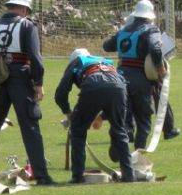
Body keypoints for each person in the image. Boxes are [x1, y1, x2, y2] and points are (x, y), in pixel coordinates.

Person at [0, 0, 54, 186]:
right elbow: (36, 58)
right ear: (25, 9)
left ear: (10, 6)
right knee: (30, 127)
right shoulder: (27, 26)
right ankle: (41, 175)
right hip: (21, 79)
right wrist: (38, 83)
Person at [54, 48, 135, 183]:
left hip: (93, 84)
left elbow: (61, 93)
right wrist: (102, 116)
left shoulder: (77, 62)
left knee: (78, 131)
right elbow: (116, 88)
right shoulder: (105, 61)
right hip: (119, 87)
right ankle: (128, 174)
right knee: (119, 130)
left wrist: (68, 113)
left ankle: (77, 176)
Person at [103, 0, 166, 150]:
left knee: (125, 117)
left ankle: (119, 148)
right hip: (141, 78)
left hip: (120, 77)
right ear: (149, 15)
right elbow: (156, 49)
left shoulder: (123, 30)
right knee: (143, 120)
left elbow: (107, 46)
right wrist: (159, 68)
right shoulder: (151, 29)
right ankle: (138, 156)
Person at [136, 0, 181, 140]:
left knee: (131, 99)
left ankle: (129, 132)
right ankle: (168, 129)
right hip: (149, 65)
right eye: (153, 2)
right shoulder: (147, 21)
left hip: (132, 65)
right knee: (160, 96)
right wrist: (160, 64)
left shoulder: (132, 20)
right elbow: (156, 46)